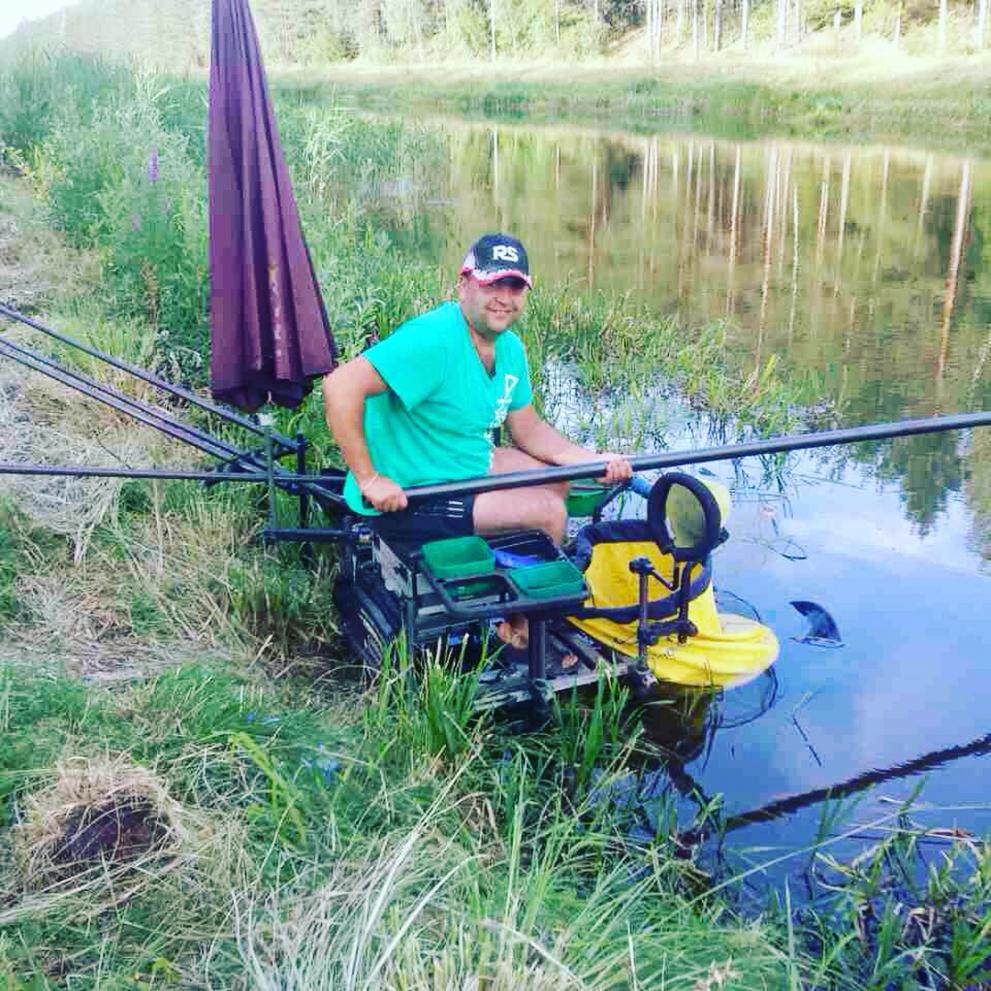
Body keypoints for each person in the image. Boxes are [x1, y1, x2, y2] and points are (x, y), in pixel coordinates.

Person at [323, 232, 631, 554]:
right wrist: (369, 480)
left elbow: (528, 428)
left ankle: (513, 557)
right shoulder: (433, 340)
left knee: (558, 480)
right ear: (464, 284)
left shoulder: (510, 348)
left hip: (463, 465)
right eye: (492, 284)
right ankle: (534, 584)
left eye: (514, 287)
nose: (504, 298)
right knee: (549, 512)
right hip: (412, 493)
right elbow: (340, 386)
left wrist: (591, 461)